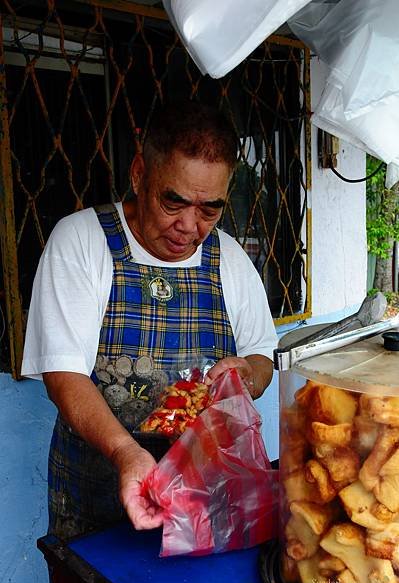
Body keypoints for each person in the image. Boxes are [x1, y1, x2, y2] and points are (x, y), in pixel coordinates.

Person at [21, 101, 278, 541]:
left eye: (209, 210)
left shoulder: (229, 259)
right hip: (95, 497)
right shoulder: (83, 241)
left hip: (200, 499)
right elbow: (63, 375)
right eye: (172, 202)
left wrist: (248, 375)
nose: (188, 226)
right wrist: (126, 452)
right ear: (139, 173)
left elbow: (262, 357)